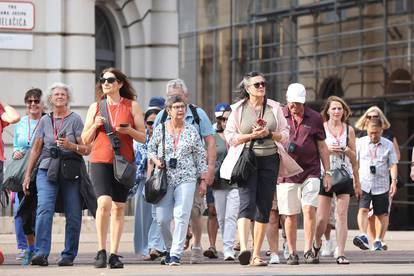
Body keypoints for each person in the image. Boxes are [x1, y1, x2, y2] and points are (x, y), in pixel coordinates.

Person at [220, 72, 302, 266]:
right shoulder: (238, 109)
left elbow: (285, 134)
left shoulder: (274, 107)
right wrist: (250, 136)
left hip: (270, 160)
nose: (261, 87)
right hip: (247, 161)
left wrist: (269, 134)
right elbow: (230, 137)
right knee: (246, 204)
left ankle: (256, 255)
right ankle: (245, 249)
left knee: (264, 207)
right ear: (248, 89)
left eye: (263, 84)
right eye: (256, 85)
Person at [82, 67, 146, 269]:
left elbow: (144, 137)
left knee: (119, 208)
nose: (106, 83)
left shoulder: (132, 105)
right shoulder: (95, 107)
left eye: (110, 80)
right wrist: (94, 125)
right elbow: (84, 139)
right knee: (104, 203)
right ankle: (101, 250)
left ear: (119, 83)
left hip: (124, 162)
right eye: (103, 80)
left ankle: (115, 254)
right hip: (100, 160)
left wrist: (129, 130)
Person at [22, 82, 90, 266]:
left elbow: (86, 149)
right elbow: (36, 149)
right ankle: (41, 253)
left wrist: (71, 146)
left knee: (73, 214)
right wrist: (28, 174)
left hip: (70, 170)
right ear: (50, 99)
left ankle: (68, 255)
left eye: (63, 94)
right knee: (44, 209)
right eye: (56, 94)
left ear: (68, 98)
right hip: (47, 169)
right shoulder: (45, 120)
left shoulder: (75, 119)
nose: (59, 96)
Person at [153, 78, 216, 264]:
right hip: (166, 177)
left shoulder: (198, 115)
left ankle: (192, 247)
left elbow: (209, 143)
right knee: (163, 218)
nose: (177, 105)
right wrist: (154, 167)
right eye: (172, 99)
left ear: (186, 97)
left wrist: (208, 172)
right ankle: (171, 248)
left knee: (192, 213)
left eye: (179, 99)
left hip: (190, 175)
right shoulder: (161, 119)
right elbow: (152, 146)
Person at [277, 83, 332, 265]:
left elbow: (322, 147)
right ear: (287, 101)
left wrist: (328, 172)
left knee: (309, 209)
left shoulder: (315, 118)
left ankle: (308, 250)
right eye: (292, 103)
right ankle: (292, 252)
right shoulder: (279, 116)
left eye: (299, 103)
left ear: (304, 101)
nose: (295, 107)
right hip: (286, 172)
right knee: (290, 214)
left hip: (311, 171)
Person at [314, 96, 362, 264]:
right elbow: (316, 152)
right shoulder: (321, 128)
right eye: (333, 108)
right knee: (322, 218)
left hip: (344, 175)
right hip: (324, 174)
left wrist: (347, 151)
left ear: (344, 111)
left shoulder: (349, 130)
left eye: (339, 109)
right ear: (327, 111)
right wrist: (327, 150)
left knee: (341, 215)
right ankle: (317, 241)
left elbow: (355, 158)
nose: (336, 111)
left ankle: (341, 252)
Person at [355, 106, 400, 250]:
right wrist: (355, 181)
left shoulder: (388, 144)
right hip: (364, 182)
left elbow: (393, 164)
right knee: (363, 209)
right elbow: (355, 163)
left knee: (382, 214)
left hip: (382, 184)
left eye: (376, 133)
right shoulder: (360, 142)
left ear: (381, 130)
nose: (373, 136)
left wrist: (394, 181)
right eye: (370, 133)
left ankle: (379, 240)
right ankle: (363, 235)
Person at [12, 88, 44, 265]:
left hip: (43, 170)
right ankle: (28, 248)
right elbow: (17, 145)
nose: (33, 104)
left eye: (36, 101)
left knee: (41, 210)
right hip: (24, 171)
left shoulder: (47, 121)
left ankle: (39, 248)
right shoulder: (22, 124)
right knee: (24, 210)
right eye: (29, 101)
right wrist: (16, 152)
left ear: (42, 104)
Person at [133, 97, 165, 260]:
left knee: (159, 215)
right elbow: (137, 160)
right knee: (143, 217)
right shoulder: (139, 138)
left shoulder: (166, 135)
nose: (152, 126)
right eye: (149, 122)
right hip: (143, 182)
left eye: (155, 122)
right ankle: (145, 247)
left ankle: (155, 246)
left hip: (162, 179)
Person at [210, 103, 239, 261]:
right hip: (218, 182)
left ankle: (228, 249)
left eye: (228, 118)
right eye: (222, 119)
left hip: (235, 181)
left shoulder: (238, 135)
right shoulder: (213, 137)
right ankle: (226, 244)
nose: (225, 121)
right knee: (221, 216)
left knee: (231, 216)